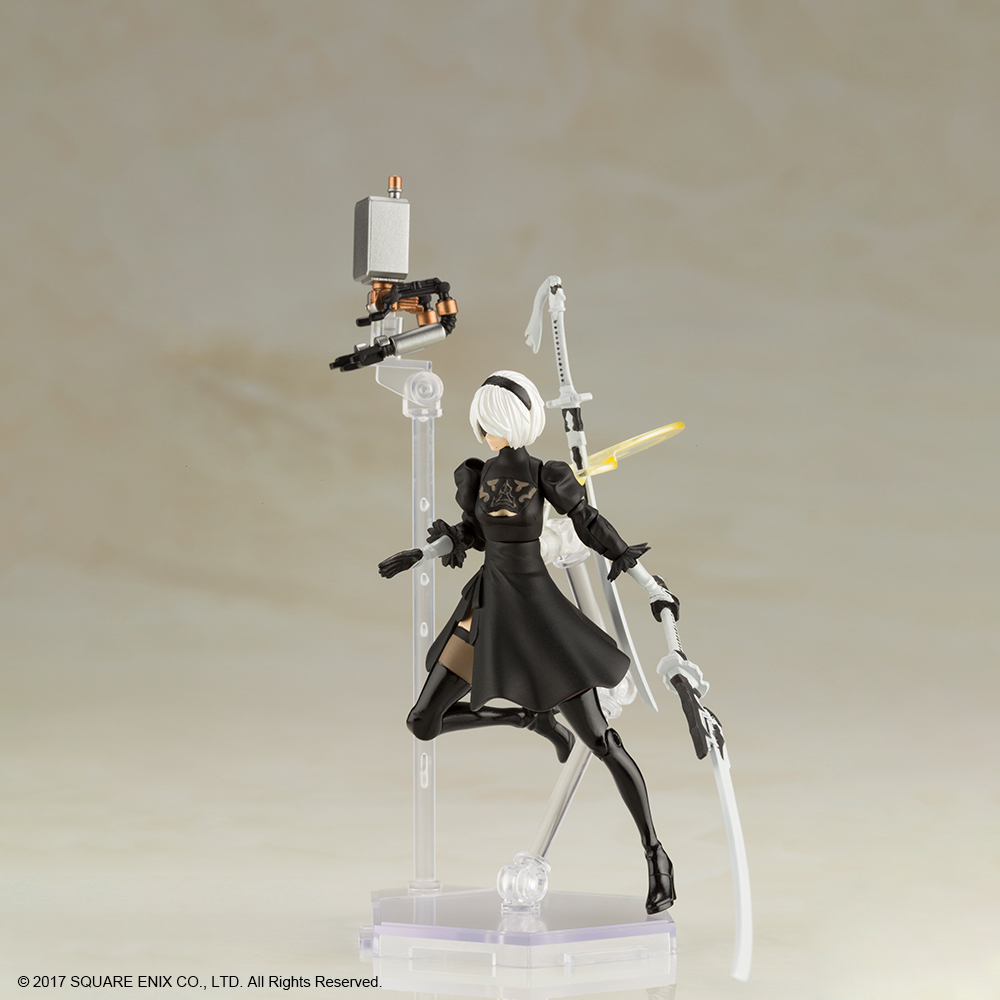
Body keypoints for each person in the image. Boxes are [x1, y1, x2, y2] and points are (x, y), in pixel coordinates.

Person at [378, 370, 674, 913]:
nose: (484, 431)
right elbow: (470, 533)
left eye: (489, 421)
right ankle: (525, 718)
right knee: (423, 721)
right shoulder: (477, 475)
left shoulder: (546, 475)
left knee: (601, 741)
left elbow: (590, 524)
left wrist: (643, 577)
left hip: (538, 614)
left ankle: (656, 856)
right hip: (486, 608)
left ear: (508, 421)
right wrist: (421, 553)